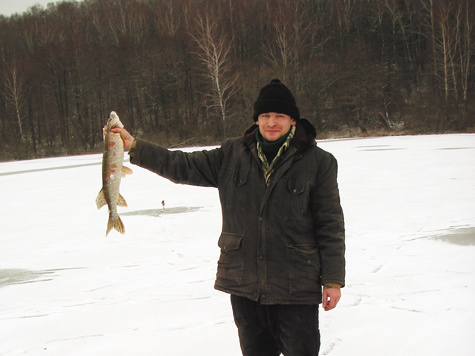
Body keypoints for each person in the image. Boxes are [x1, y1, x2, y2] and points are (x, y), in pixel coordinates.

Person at [112, 79, 345, 356]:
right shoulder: (232, 154)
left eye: (280, 116)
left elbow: (330, 224)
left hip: (295, 285)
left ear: (293, 121)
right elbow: (181, 166)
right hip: (245, 283)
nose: (272, 122)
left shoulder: (319, 162)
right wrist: (134, 146)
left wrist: (332, 280)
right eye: (265, 116)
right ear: (256, 120)